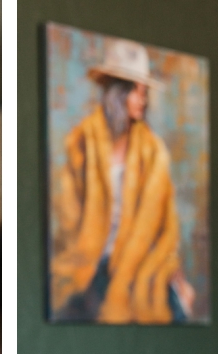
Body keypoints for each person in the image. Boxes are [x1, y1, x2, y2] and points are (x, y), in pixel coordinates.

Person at [51, 37, 195, 323]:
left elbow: (165, 228)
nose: (142, 99)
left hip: (139, 262)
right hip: (92, 260)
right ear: (118, 93)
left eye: (144, 92)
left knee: (175, 312)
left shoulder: (154, 153)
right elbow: (67, 216)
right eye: (135, 91)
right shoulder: (81, 143)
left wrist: (176, 277)